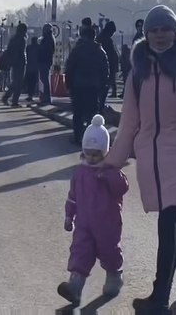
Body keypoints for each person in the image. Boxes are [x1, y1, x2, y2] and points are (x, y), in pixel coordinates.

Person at [100, 5, 176, 312]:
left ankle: (159, 297)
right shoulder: (138, 74)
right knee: (174, 226)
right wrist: (111, 162)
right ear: (146, 34)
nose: (159, 36)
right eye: (154, 30)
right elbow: (128, 123)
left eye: (165, 29)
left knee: (166, 225)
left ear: (175, 32)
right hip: (150, 159)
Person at [58, 114, 128, 303]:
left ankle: (114, 276)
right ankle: (75, 286)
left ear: (105, 152)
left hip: (108, 223)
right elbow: (73, 197)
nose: (91, 157)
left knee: (109, 251)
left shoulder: (111, 171)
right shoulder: (80, 173)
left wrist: (109, 174)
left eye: (96, 154)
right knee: (80, 251)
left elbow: (122, 188)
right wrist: (68, 216)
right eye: (88, 153)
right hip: (84, 224)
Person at [65, 26, 109, 145]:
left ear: (83, 36)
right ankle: (92, 139)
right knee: (92, 114)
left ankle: (77, 137)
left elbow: (69, 69)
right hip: (94, 87)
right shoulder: (100, 51)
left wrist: (69, 85)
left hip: (78, 86)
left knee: (78, 114)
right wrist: (102, 86)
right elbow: (105, 71)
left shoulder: (77, 51)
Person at [1, 22, 29, 107]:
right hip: (20, 62)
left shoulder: (13, 39)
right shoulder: (22, 39)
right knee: (18, 83)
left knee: (15, 81)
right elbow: (21, 52)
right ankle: (13, 100)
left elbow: (9, 50)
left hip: (13, 62)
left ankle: (9, 98)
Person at [97, 21, 120, 105]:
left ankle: (112, 92)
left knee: (111, 79)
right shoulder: (104, 39)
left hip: (110, 62)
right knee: (108, 80)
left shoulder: (104, 38)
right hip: (108, 62)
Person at [38, 24, 56, 104]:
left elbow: (45, 50)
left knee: (44, 79)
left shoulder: (47, 39)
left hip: (45, 61)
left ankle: (46, 98)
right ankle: (45, 97)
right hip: (46, 61)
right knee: (44, 79)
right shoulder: (50, 38)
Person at [25, 36, 40, 102]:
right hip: (36, 67)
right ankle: (33, 94)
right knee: (34, 82)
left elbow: (28, 56)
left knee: (30, 82)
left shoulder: (28, 47)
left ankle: (30, 95)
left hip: (29, 67)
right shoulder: (39, 47)